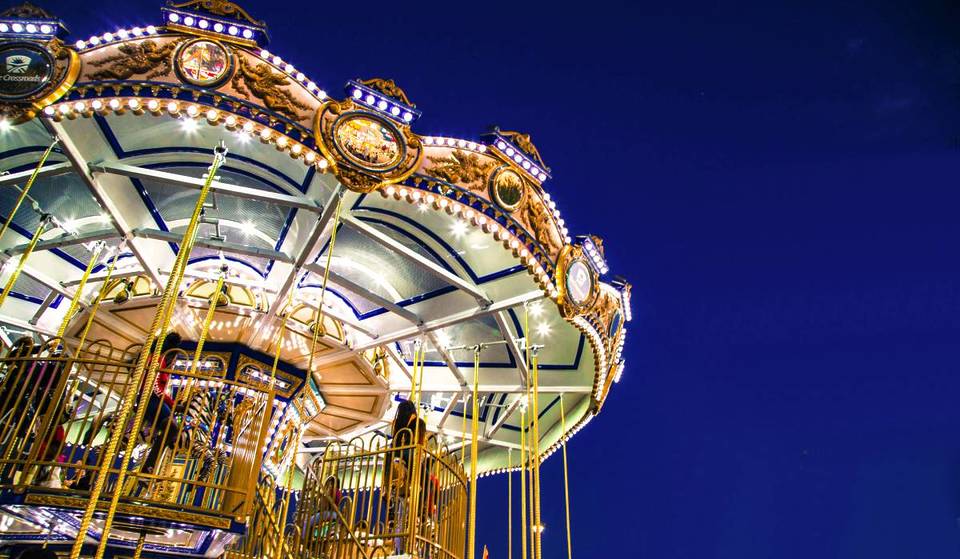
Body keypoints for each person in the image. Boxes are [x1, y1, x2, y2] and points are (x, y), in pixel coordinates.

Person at [137, 332, 183, 479]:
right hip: (151, 400)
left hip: (153, 399)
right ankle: (148, 468)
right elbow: (154, 388)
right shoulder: (157, 360)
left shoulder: (154, 359)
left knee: (173, 433)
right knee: (173, 428)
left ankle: (156, 467)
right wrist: (172, 403)